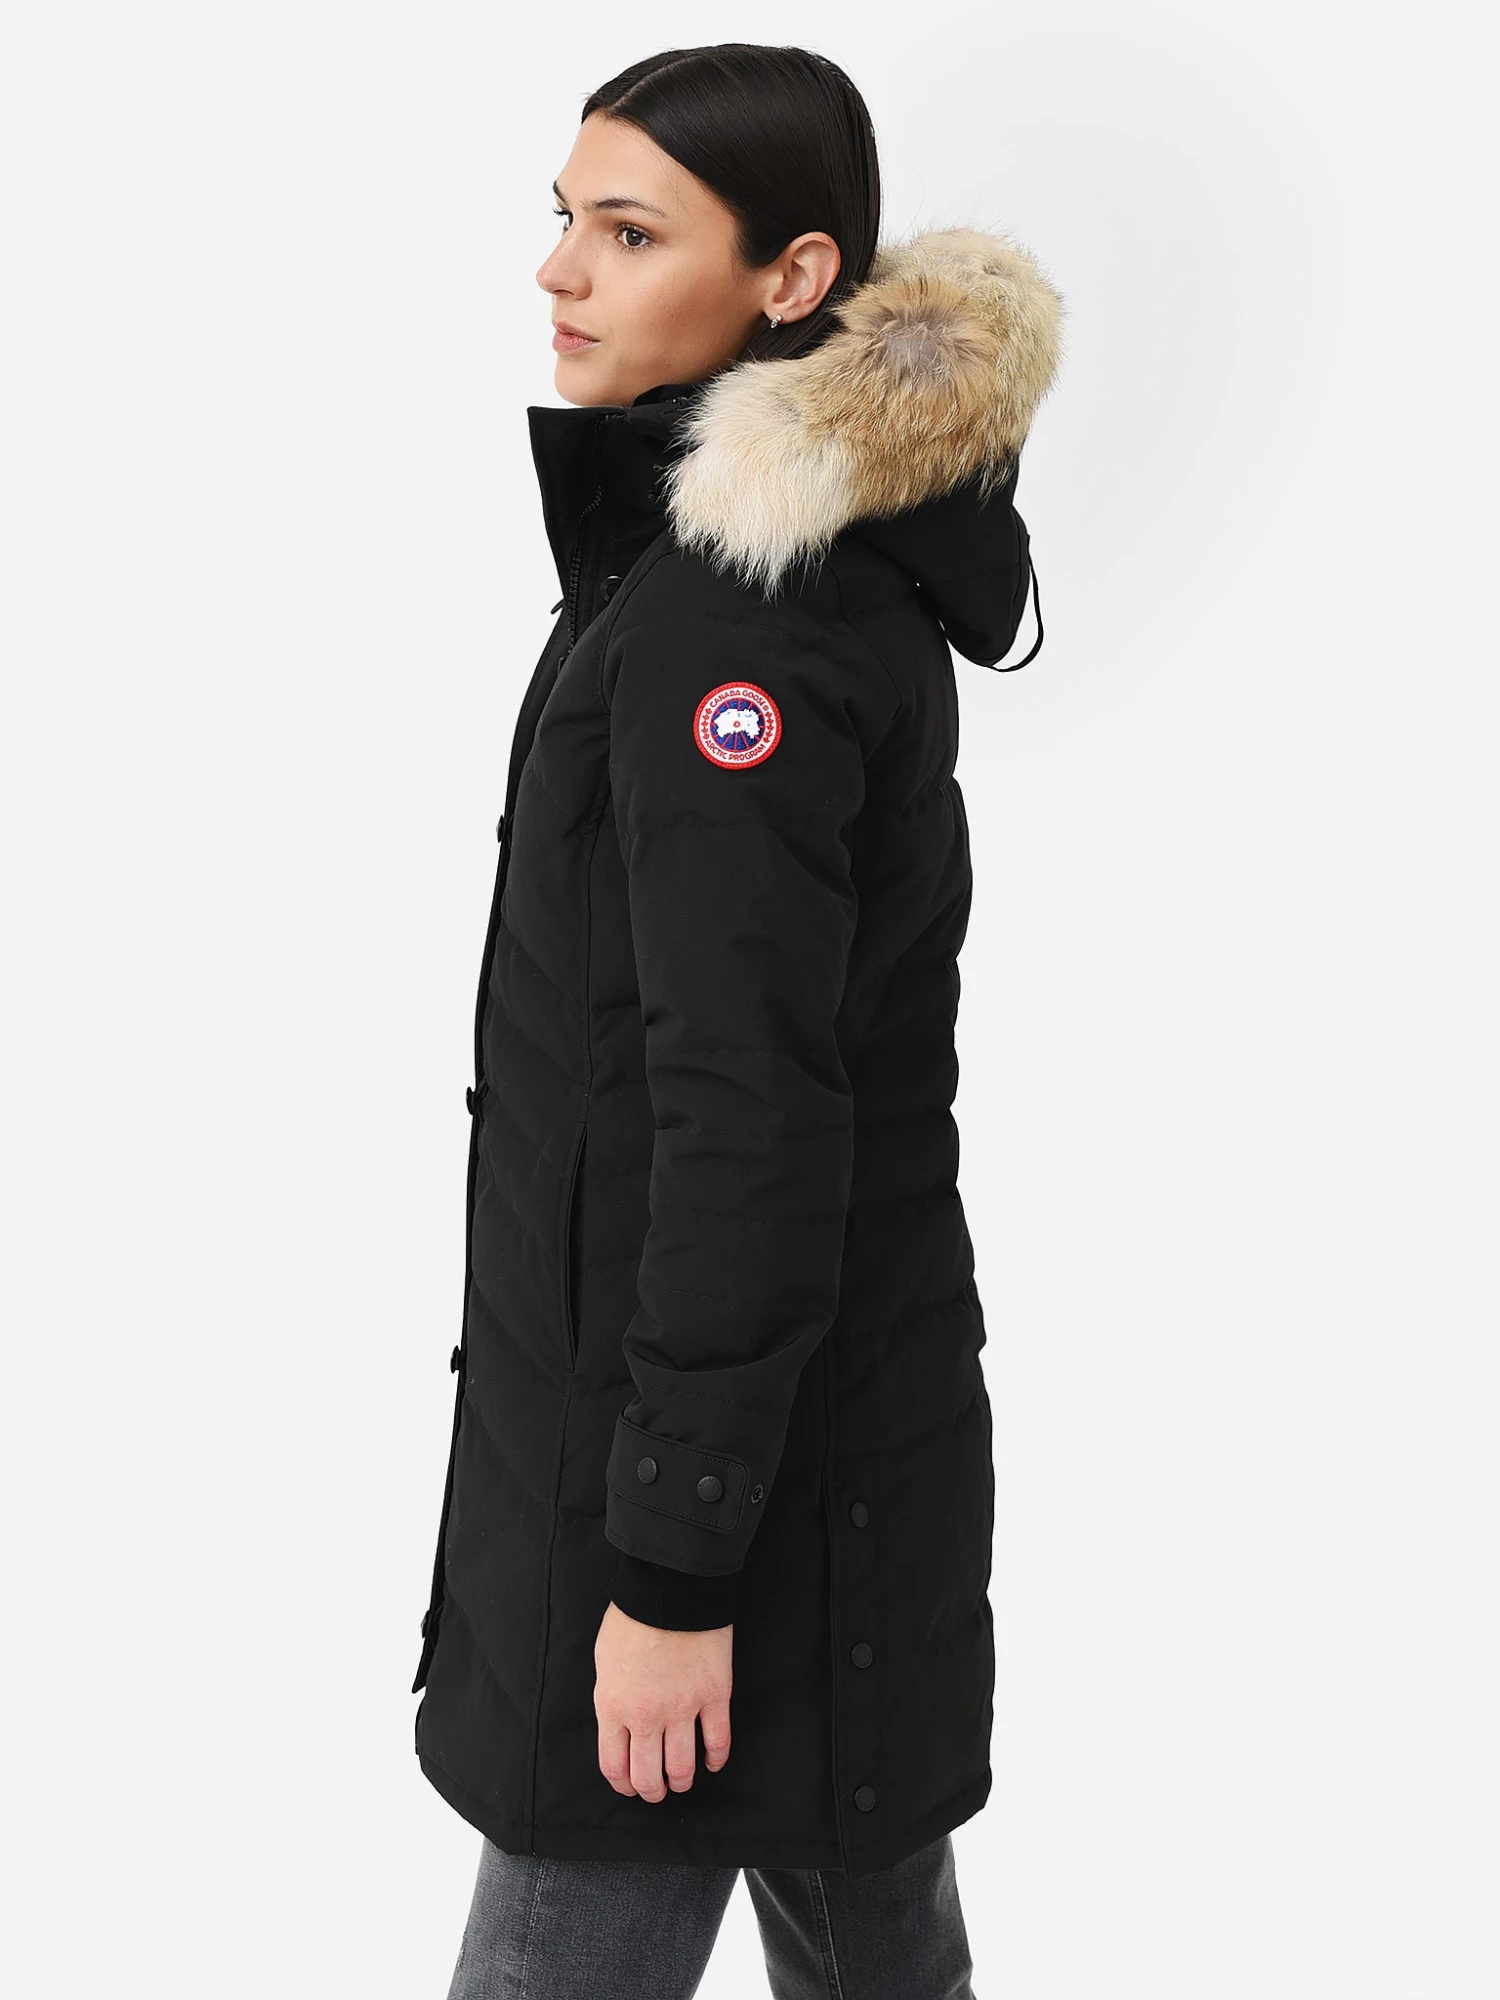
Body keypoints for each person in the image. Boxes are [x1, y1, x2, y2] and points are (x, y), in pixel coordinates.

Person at [410, 40, 1064, 1999]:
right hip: (807, 1460)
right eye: (565, 220)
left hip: (722, 1514)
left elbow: (746, 1121)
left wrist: (670, 1571)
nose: (561, 271)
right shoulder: (754, 584)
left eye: (630, 233)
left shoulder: (737, 628)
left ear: (792, 278)